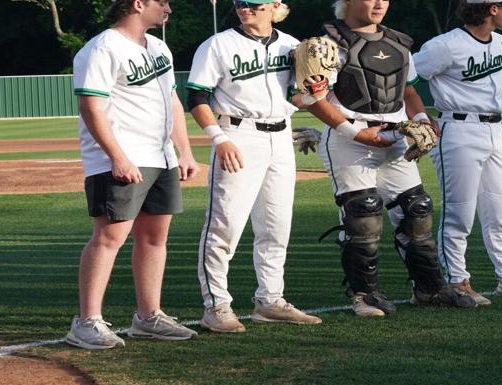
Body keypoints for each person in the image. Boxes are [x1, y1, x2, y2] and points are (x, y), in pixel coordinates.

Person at [303, 0, 479, 317]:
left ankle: (429, 289)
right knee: (363, 214)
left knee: (417, 209)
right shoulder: (327, 45)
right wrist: (355, 133)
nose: (380, 3)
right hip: (350, 139)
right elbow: (310, 99)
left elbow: (408, 92)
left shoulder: (398, 42)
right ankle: (364, 296)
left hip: (395, 136)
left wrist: (423, 120)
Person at [65, 0, 202, 350]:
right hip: (121, 159)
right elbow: (90, 106)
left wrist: (184, 151)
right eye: (163, 2)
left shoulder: (158, 46)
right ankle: (86, 321)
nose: (169, 8)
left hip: (161, 157)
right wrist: (117, 157)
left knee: (155, 237)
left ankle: (148, 316)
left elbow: (172, 100)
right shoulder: (102, 48)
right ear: (138, 4)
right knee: (109, 238)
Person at [186, 0, 319, 334]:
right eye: (240, 3)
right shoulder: (218, 44)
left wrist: (316, 93)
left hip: (281, 136)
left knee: (276, 226)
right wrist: (218, 138)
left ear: (275, 6)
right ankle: (216, 305)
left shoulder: (292, 46)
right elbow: (197, 97)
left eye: (253, 4)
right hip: (237, 134)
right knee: (224, 225)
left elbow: (296, 98)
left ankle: (270, 301)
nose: (245, 8)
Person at [413, 0, 502, 304]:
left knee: (501, 210)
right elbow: (403, 76)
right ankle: (457, 281)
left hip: (495, 130)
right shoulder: (445, 45)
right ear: (492, 8)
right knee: (459, 212)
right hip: (458, 129)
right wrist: (420, 117)